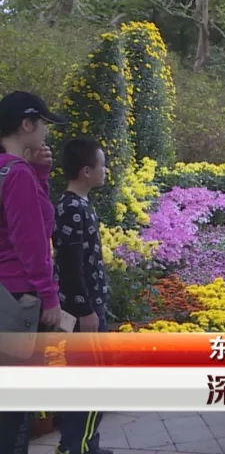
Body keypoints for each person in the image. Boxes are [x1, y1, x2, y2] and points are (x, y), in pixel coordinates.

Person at [0, 92, 66, 454]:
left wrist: (40, 173)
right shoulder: (17, 174)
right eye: (43, 124)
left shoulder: (8, 169)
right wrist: (49, 295)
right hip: (17, 300)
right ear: (26, 125)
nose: (46, 133)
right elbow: (33, 240)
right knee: (13, 412)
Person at [53, 137, 111, 454]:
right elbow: (70, 266)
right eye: (102, 165)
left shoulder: (77, 205)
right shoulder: (72, 209)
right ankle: (78, 447)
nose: (106, 170)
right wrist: (86, 310)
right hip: (83, 312)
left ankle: (79, 444)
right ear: (86, 171)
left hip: (88, 308)